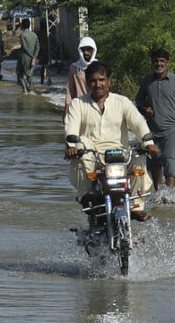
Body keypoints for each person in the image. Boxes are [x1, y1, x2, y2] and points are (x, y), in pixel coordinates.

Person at [65, 61, 159, 221]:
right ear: (87, 83)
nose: (98, 84)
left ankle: (136, 207)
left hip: (119, 156)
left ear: (109, 81)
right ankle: (87, 196)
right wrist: (72, 147)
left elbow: (138, 123)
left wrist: (148, 144)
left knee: (138, 161)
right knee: (82, 144)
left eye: (102, 80)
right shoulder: (78, 104)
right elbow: (71, 128)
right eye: (93, 81)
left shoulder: (122, 102)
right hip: (92, 157)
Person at [136, 48, 175, 190]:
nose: (158, 64)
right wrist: (144, 109)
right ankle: (157, 192)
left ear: (167, 63)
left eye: (162, 61)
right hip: (152, 129)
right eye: (156, 61)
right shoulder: (147, 81)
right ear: (152, 63)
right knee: (154, 162)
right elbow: (139, 101)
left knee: (170, 161)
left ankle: (170, 193)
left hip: (171, 129)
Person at [64, 36, 98, 122]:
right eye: (84, 50)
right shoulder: (74, 67)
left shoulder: (98, 67)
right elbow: (70, 91)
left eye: (89, 49)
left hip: (96, 108)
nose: (86, 52)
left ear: (93, 50)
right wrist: (66, 113)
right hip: (79, 108)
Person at [16, 19, 39, 94]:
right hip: (32, 58)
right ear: (29, 25)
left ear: (22, 25)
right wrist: (34, 57)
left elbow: (24, 47)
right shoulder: (34, 35)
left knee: (19, 73)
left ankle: (25, 90)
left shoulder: (22, 34)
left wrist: (31, 56)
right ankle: (30, 89)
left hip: (24, 56)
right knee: (29, 74)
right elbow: (37, 47)